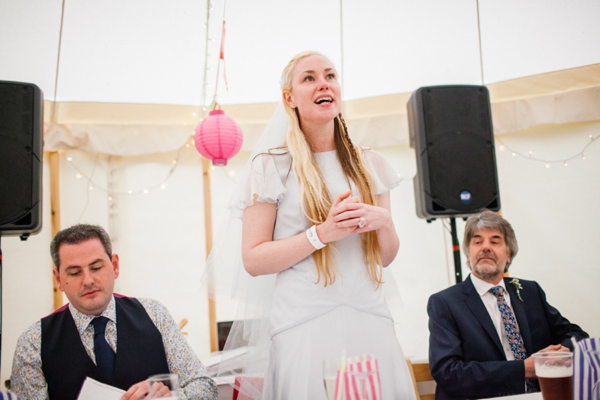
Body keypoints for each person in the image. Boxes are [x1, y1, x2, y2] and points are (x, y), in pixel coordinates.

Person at [222, 51, 415, 399]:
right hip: (303, 325)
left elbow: (385, 258)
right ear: (289, 98)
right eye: (309, 78)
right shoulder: (270, 167)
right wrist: (320, 234)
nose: (323, 83)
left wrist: (384, 222)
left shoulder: (372, 164)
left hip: (369, 318)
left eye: (330, 75)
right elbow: (253, 260)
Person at [10, 224, 217, 400]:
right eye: (74, 272)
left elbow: (205, 386)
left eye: (96, 267)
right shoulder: (34, 343)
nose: (88, 280)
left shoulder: (155, 315)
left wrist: (171, 397)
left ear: (115, 266)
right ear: (58, 279)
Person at [427, 210, 588, 399]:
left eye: (495, 241)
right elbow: (449, 373)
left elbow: (577, 337)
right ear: (468, 255)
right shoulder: (445, 303)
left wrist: (554, 358)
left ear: (509, 255)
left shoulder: (530, 291)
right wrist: (524, 369)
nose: (486, 247)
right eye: (478, 242)